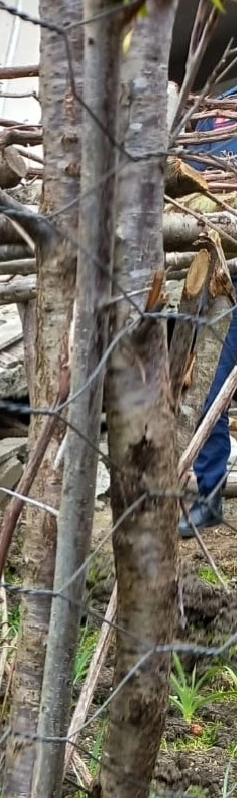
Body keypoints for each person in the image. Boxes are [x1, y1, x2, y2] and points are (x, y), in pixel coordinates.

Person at [180, 84, 237, 538]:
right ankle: (210, 495)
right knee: (209, 385)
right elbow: (190, 186)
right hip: (225, 277)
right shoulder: (217, 111)